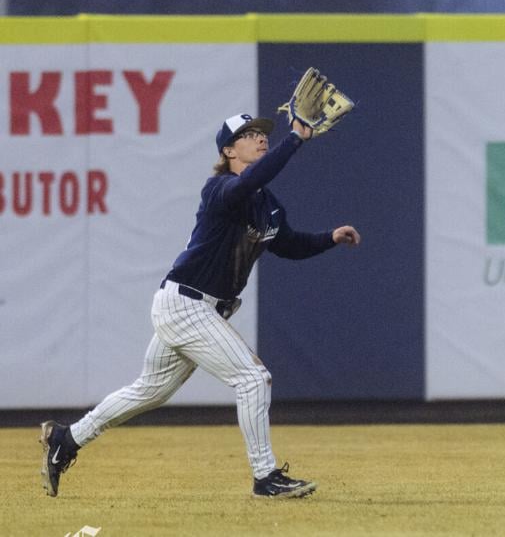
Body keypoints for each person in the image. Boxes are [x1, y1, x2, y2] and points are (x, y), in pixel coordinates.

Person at [39, 111, 361, 499]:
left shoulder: (268, 204)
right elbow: (251, 180)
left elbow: (287, 244)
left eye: (262, 133)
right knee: (253, 379)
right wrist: (294, 138)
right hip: (185, 303)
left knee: (148, 391)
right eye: (249, 134)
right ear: (228, 150)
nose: (260, 138)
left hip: (196, 308)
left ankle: (66, 438)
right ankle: (265, 477)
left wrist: (329, 238)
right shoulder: (220, 189)